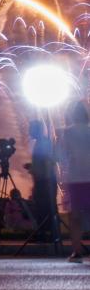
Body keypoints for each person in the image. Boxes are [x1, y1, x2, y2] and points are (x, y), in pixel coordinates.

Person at [57, 103, 90, 263]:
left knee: (75, 216)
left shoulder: (67, 132)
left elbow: (61, 155)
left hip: (76, 177)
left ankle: (77, 252)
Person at [27, 119, 58, 243]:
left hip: (44, 182)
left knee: (44, 207)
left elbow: (46, 162)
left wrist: (35, 171)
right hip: (45, 180)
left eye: (31, 128)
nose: (29, 131)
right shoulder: (42, 142)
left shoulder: (42, 143)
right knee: (43, 207)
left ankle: (46, 234)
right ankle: (46, 233)